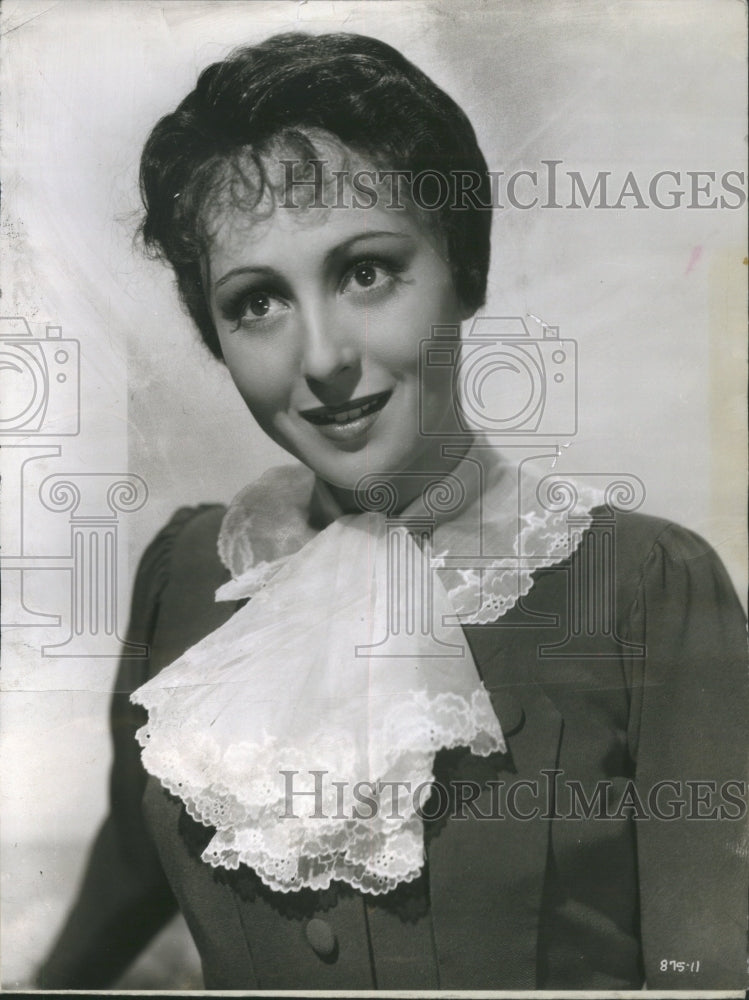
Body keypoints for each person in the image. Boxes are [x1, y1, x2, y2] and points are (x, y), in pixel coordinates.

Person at [37, 30, 748, 991]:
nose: (322, 354)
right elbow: (127, 876)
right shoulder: (189, 572)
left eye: (365, 271)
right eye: (256, 303)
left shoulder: (646, 591)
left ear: (464, 267)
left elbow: (709, 974)